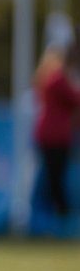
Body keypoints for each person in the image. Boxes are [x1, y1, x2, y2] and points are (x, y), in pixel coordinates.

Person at [32, 40, 80, 222]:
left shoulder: (46, 78)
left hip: (48, 134)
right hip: (56, 136)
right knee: (55, 180)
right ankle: (59, 219)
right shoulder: (57, 80)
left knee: (52, 178)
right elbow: (76, 98)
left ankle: (52, 218)